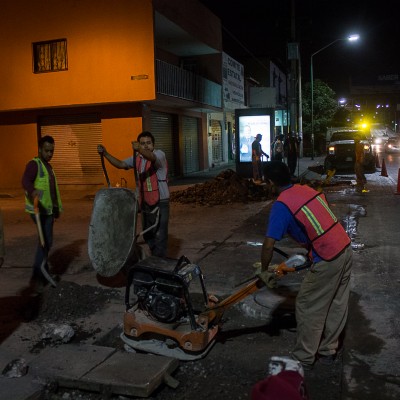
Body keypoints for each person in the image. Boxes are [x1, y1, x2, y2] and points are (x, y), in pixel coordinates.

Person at [258, 161, 352, 369]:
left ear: (271, 182)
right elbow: (319, 218)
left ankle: (304, 357)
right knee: (336, 302)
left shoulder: (281, 205)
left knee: (307, 304)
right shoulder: (306, 189)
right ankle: (328, 351)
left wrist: (264, 271)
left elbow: (268, 245)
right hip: (344, 247)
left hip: (328, 256)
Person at [98, 131, 169, 257]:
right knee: (148, 234)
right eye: (142, 143)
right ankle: (155, 256)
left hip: (161, 202)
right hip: (145, 202)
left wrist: (140, 150)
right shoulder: (138, 159)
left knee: (160, 235)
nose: (146, 146)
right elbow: (121, 164)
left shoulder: (159, 155)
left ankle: (160, 262)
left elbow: (151, 157)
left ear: (153, 144)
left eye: (148, 143)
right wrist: (106, 154)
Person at [22, 135, 63, 292]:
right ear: (40, 149)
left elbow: (52, 190)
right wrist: (32, 191)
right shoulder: (34, 164)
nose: (50, 154)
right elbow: (25, 180)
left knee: (46, 242)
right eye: (47, 151)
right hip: (39, 211)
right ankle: (36, 279)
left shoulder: (48, 167)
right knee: (44, 243)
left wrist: (56, 209)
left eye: (52, 151)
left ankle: (42, 273)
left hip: (48, 211)